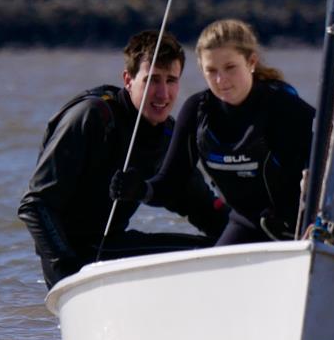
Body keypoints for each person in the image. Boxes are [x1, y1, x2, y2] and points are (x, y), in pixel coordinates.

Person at [18, 30, 228, 288]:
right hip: (76, 262)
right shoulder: (93, 117)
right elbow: (35, 205)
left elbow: (201, 207)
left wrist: (257, 239)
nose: (163, 94)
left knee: (223, 249)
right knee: (208, 254)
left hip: (112, 247)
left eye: (171, 80)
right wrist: (67, 271)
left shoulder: (166, 136)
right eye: (152, 80)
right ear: (128, 79)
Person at [110, 19, 315, 246]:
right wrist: (140, 189)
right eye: (211, 71)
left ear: (251, 62)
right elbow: (170, 184)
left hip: (308, 228)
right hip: (247, 226)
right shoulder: (197, 112)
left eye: (230, 68)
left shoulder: (285, 108)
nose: (221, 80)